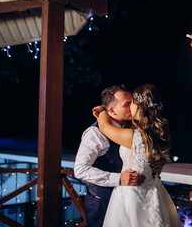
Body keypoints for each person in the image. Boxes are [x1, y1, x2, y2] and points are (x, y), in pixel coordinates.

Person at [93, 84, 182, 227]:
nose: (129, 108)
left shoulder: (135, 136)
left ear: (140, 107)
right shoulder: (159, 133)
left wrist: (103, 110)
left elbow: (103, 127)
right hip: (155, 192)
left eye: (132, 104)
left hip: (132, 195)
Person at [74, 85, 145, 227]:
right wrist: (118, 179)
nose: (132, 107)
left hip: (129, 201)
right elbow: (80, 169)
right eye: (127, 104)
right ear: (111, 110)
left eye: (132, 102)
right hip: (102, 203)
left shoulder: (131, 126)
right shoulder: (95, 134)